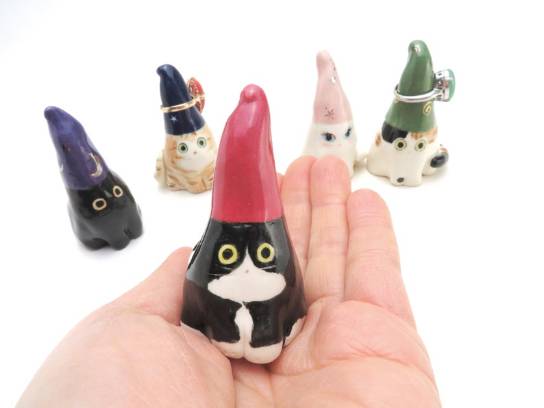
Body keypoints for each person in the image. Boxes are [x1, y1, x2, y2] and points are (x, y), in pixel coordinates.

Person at [17, 157, 441, 407]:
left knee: (270, 316)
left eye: (263, 256)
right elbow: (200, 303)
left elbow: (283, 300)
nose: (247, 269)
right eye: (226, 256)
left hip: (276, 321)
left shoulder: (280, 274)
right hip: (216, 337)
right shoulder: (205, 277)